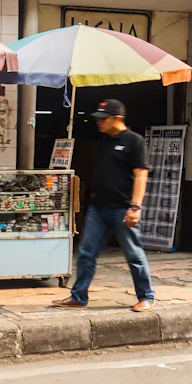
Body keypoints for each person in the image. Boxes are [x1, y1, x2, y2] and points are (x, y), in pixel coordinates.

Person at [53, 99, 155, 313]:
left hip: (122, 207)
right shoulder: (104, 142)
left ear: (117, 118)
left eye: (103, 118)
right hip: (98, 207)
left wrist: (135, 207)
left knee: (133, 254)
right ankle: (78, 296)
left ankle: (146, 296)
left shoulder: (134, 141)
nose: (98, 122)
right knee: (86, 252)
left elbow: (141, 175)